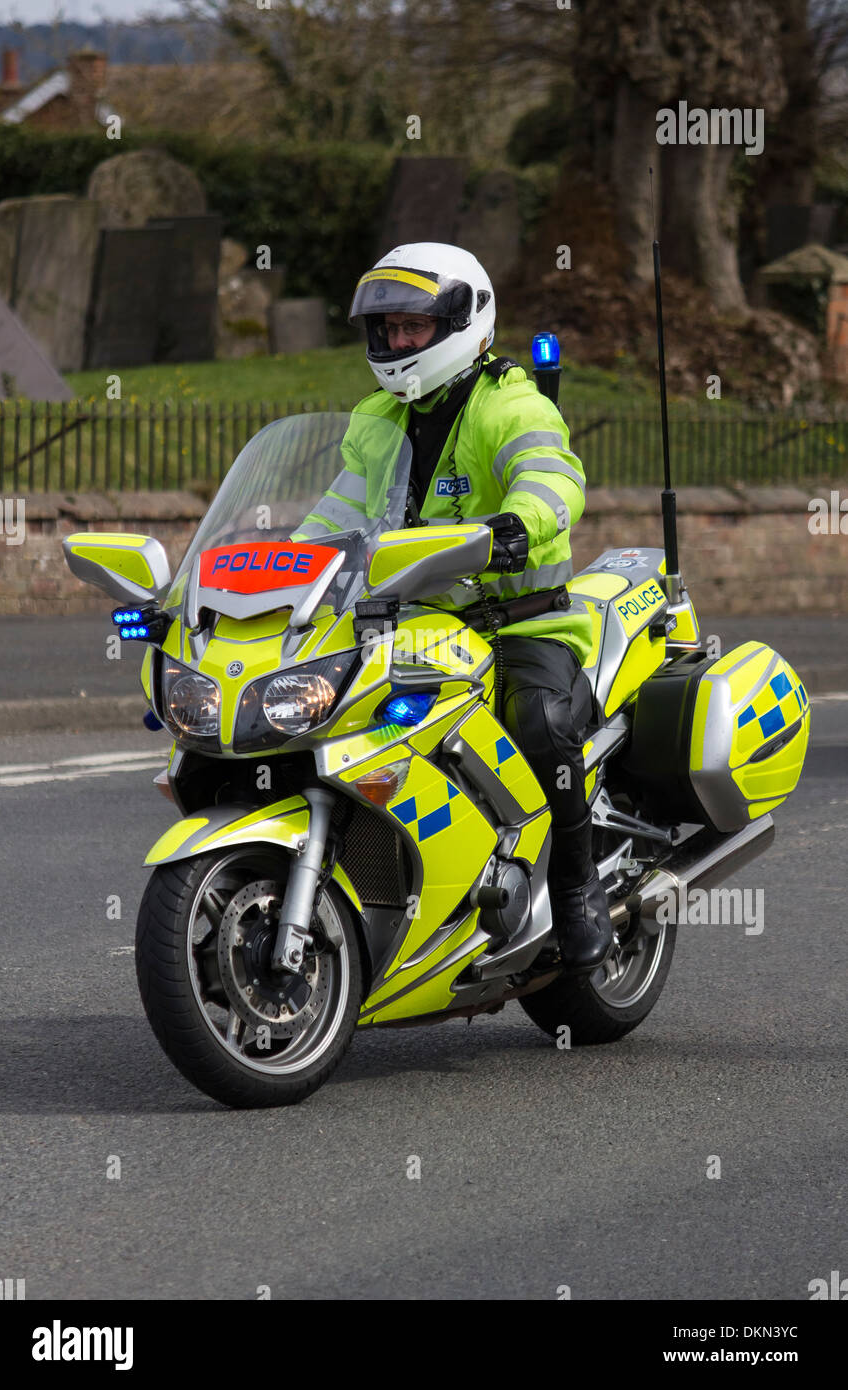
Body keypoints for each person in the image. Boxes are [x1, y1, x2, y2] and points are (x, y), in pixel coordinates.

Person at [296, 242, 613, 973]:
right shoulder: (375, 419)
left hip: (522, 620)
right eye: (388, 330)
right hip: (414, 626)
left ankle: (575, 881)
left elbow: (553, 477)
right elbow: (333, 520)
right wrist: (284, 567)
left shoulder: (509, 402)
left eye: (414, 327)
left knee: (538, 726)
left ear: (463, 322)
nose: (399, 343)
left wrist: (517, 524)